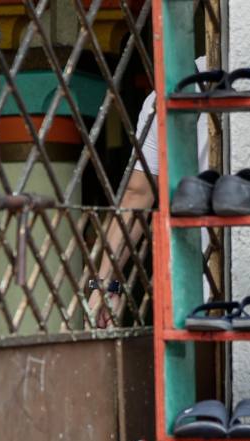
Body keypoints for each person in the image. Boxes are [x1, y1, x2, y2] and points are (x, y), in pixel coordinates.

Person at [87, 56, 210, 321]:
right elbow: (138, 194)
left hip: (195, 283)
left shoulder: (173, 89)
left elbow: (137, 194)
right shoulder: (170, 92)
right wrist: (106, 284)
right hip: (207, 274)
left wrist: (105, 284)